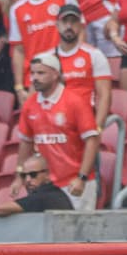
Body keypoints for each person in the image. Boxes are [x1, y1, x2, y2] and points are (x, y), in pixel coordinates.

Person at [12, 53, 100, 211]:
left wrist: (82, 177)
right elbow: (26, 142)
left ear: (55, 74)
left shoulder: (75, 101)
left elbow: (92, 140)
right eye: (32, 73)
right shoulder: (30, 104)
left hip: (74, 182)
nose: (34, 78)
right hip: (46, 186)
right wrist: (19, 176)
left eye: (41, 73)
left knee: (78, 233)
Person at [8, 0, 78, 103]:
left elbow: (80, 33)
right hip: (35, 78)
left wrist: (75, 68)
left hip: (65, 74)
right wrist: (19, 87)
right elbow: (18, 50)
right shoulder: (17, 9)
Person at [52, 4, 112, 131]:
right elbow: (34, 96)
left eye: (74, 22)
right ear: (57, 25)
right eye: (65, 22)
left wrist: (97, 128)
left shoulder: (95, 55)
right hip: (52, 121)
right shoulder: (47, 58)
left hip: (84, 121)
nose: (69, 26)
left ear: (80, 26)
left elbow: (104, 95)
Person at [0, 155, 74, 217]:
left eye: (33, 174)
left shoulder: (44, 196)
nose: (27, 180)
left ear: (47, 174)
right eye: (24, 176)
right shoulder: (56, 192)